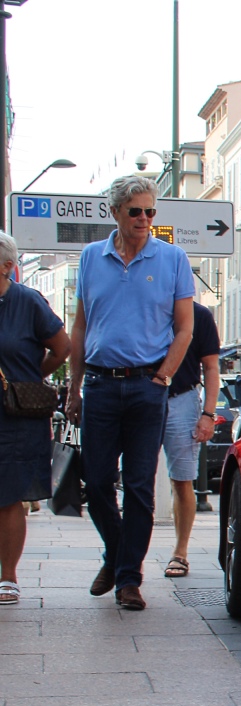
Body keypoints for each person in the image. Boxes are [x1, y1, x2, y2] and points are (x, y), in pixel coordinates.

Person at [66, 176, 195, 611]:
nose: (144, 219)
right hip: (100, 385)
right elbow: (80, 326)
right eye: (136, 211)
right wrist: (74, 386)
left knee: (139, 487)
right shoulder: (90, 257)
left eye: (151, 212)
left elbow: (185, 329)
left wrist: (163, 378)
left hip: (147, 387)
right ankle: (118, 553)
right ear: (115, 212)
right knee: (98, 481)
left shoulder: (173, 258)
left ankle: (128, 579)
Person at [0, 230, 72, 605]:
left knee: (10, 495)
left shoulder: (27, 302)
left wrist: (29, 379)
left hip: (15, 414)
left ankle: (7, 577)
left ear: (7, 267)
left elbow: (62, 348)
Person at [161, 301, 221, 578]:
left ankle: (180, 552)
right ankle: (127, 556)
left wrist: (208, 414)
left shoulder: (199, 314)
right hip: (143, 394)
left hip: (183, 397)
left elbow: (210, 367)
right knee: (135, 479)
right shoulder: (148, 303)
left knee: (182, 479)